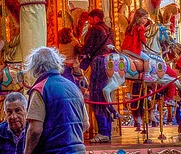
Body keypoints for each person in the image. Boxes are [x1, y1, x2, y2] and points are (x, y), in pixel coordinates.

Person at [22, 46, 88, 154]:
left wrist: (27, 151)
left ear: (35, 67)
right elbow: (85, 124)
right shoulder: (74, 87)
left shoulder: (40, 89)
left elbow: (35, 130)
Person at [76, 10, 114, 143]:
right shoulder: (109, 30)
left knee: (96, 95)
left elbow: (87, 48)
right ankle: (108, 130)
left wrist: (76, 47)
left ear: (95, 18)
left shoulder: (95, 30)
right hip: (109, 62)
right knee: (105, 95)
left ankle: (103, 131)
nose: (89, 21)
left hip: (98, 63)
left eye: (90, 19)